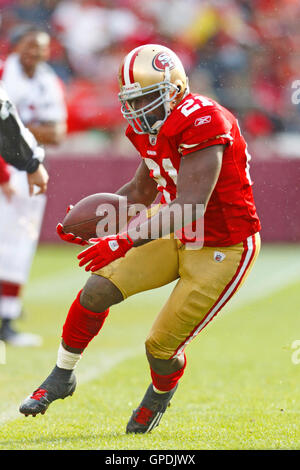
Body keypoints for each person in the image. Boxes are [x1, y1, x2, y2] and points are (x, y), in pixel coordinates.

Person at [19, 44, 261, 433]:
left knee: (160, 348)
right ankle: (62, 375)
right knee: (97, 289)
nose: (139, 109)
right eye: (133, 100)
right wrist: (97, 220)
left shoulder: (205, 119)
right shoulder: (146, 126)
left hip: (221, 244)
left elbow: (190, 206)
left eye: (148, 97)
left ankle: (160, 393)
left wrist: (123, 239)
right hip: (173, 227)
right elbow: (138, 194)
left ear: (176, 89)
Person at [0, 26, 67, 346]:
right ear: (14, 47)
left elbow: (57, 133)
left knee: (19, 247)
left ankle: (8, 317)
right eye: (29, 45)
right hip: (8, 167)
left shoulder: (48, 80)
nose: (35, 53)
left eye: (40, 46)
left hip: (28, 168)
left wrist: (16, 132)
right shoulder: (4, 72)